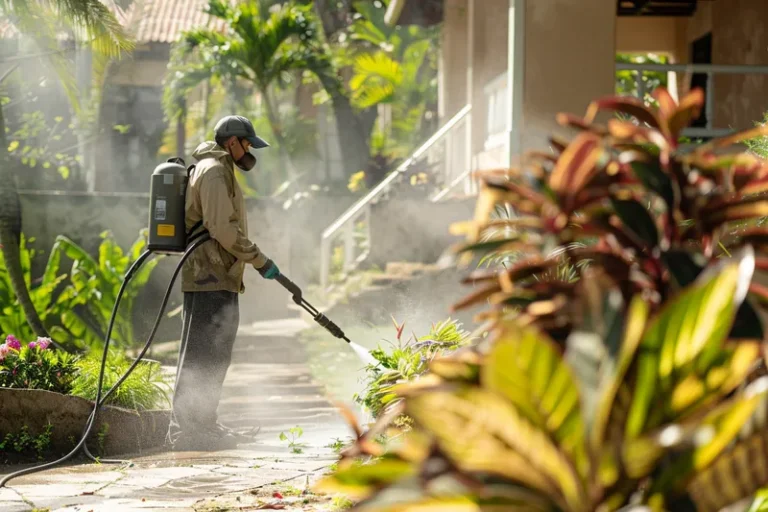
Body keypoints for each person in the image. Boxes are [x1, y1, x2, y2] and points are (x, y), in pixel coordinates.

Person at [167, 115, 280, 451]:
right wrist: (259, 260)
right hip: (209, 274)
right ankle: (187, 430)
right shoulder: (214, 172)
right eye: (246, 144)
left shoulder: (217, 169)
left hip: (216, 275)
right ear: (232, 142)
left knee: (213, 353)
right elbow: (223, 230)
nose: (249, 151)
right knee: (203, 355)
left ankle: (203, 424)